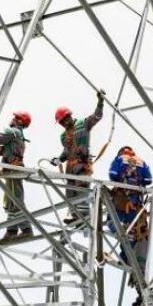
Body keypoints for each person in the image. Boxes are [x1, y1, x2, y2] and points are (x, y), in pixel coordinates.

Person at [51, 89, 105, 223]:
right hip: (70, 169)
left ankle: (85, 218)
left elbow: (97, 116)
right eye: (61, 122)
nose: (64, 123)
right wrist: (58, 159)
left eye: (64, 119)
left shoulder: (83, 124)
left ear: (69, 116)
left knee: (82, 191)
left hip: (82, 166)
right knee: (70, 194)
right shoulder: (63, 136)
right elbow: (66, 152)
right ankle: (76, 217)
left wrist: (100, 101)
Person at [108, 146, 153, 306]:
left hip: (123, 203)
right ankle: (126, 258)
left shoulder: (119, 159)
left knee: (114, 224)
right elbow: (148, 180)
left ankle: (125, 257)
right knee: (134, 241)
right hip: (137, 207)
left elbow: (112, 175)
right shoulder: (142, 162)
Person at [0, 112, 33, 240]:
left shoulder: (12, 132)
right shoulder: (16, 136)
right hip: (11, 170)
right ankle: (12, 231)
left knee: (16, 200)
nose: (13, 119)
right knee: (11, 201)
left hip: (13, 170)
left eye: (16, 117)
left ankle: (26, 230)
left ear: (20, 121)